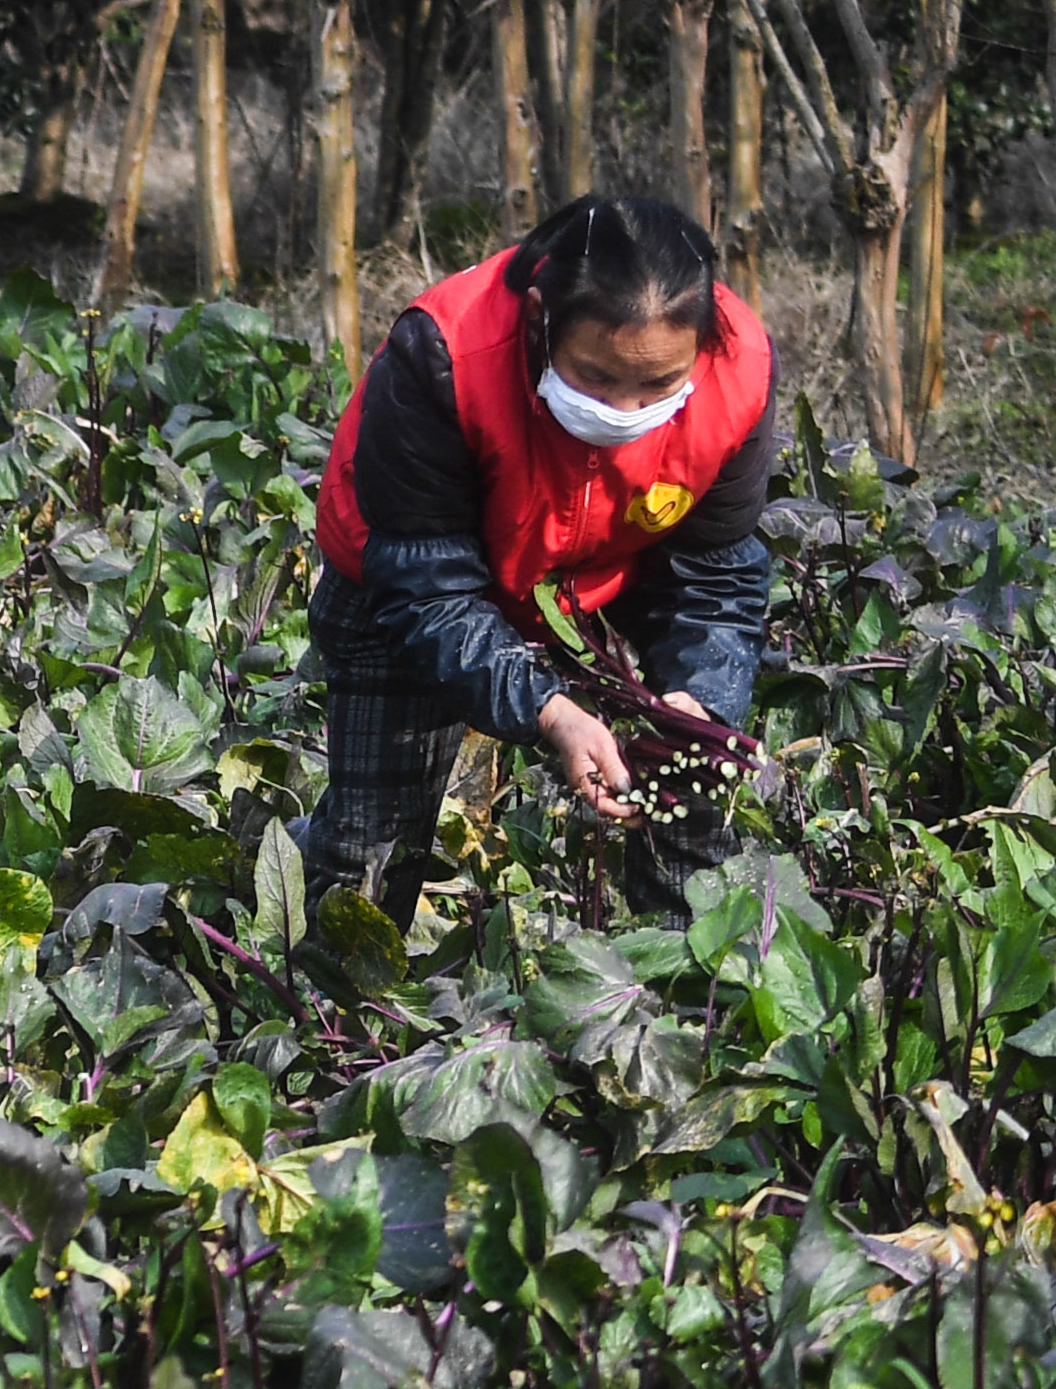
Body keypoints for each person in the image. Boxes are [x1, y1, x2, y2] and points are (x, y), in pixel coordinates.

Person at [305, 191, 778, 912]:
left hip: (597, 576)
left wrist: (697, 699)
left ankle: (687, 1008)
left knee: (689, 779)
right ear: (539, 319)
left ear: (702, 347)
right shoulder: (441, 354)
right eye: (595, 376)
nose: (624, 413)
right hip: (399, 584)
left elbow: (712, 576)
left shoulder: (736, 373)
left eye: (657, 383)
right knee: (367, 869)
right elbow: (426, 592)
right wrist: (549, 711)